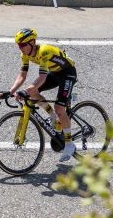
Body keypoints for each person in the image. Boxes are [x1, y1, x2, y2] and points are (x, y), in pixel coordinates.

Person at [8, 28, 80, 164]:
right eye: (19, 45)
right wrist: (11, 91)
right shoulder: (25, 54)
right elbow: (22, 75)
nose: (20, 48)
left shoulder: (43, 51)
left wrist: (29, 89)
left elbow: (42, 76)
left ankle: (69, 144)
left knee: (59, 108)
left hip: (68, 73)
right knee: (33, 92)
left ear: (32, 42)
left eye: (22, 45)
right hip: (55, 73)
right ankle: (54, 119)